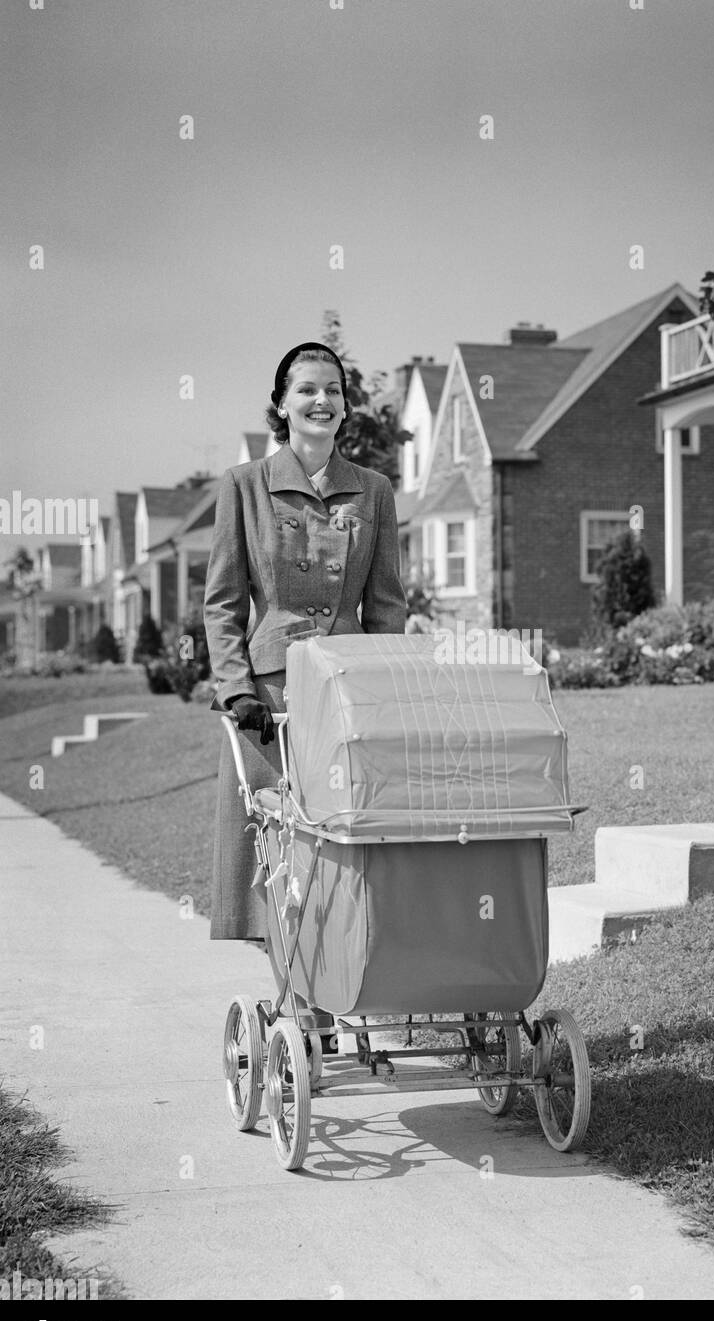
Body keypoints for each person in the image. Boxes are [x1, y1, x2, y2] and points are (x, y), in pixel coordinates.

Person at [204, 341, 407, 941]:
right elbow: (222, 602)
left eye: (334, 391)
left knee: (342, 842)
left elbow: (388, 603)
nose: (323, 400)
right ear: (282, 405)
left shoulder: (375, 490)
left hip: (346, 693)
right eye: (307, 390)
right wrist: (236, 690)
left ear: (346, 408)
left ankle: (343, 991)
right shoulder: (244, 485)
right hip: (271, 699)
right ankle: (298, 1005)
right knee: (276, 849)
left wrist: (382, 685)